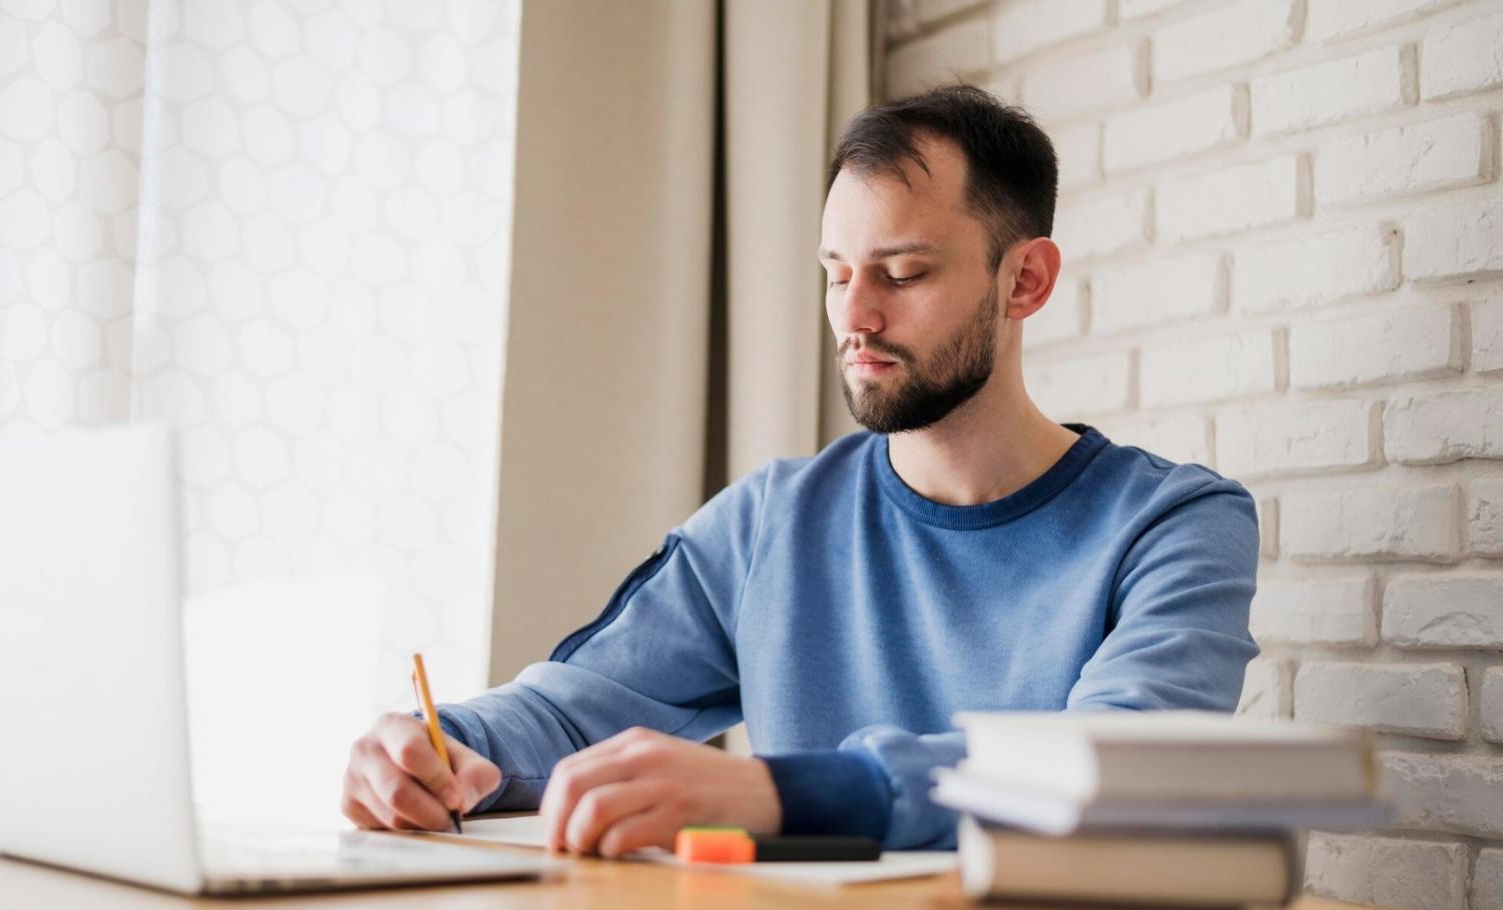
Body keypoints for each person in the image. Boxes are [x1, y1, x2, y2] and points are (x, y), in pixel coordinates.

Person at [340, 84, 1260, 857]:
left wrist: (783, 794)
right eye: (835, 272)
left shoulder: (1177, 524)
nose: (854, 316)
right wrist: (439, 746)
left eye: (900, 274)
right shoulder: (770, 521)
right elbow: (576, 707)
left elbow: (1116, 767)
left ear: (1025, 281)